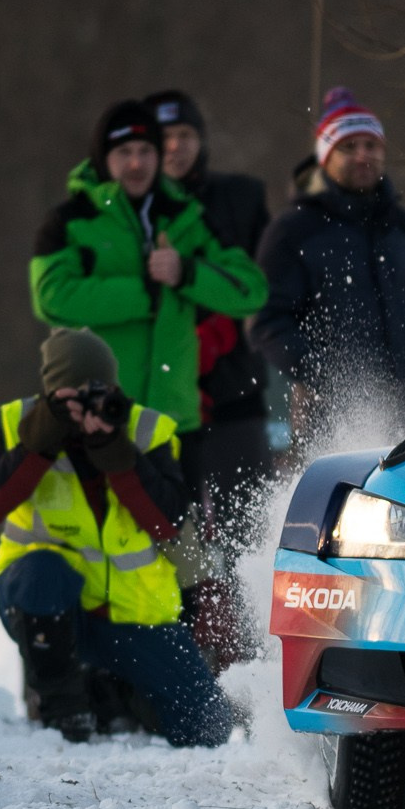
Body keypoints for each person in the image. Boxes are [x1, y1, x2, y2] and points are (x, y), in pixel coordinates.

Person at [0, 328, 232, 745]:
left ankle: (117, 694)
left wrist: (117, 453)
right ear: (52, 392)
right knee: (41, 573)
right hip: (48, 608)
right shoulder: (19, 424)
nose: (88, 406)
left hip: (134, 617)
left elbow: (169, 522)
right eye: (75, 396)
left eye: (99, 391)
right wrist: (40, 443)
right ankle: (63, 706)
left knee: (210, 726)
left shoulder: (144, 429)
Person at [250, 87, 405, 452]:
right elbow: (266, 320)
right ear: (325, 157)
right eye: (348, 146)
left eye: (371, 145)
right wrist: (322, 377)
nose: (362, 155)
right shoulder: (293, 231)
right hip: (334, 421)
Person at [30, 101, 268, 444]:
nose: (136, 163)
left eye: (146, 151)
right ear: (102, 158)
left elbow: (250, 290)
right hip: (95, 418)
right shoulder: (70, 220)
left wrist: (187, 273)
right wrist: (145, 294)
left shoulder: (187, 216)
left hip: (174, 423)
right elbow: (51, 298)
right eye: (124, 152)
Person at [141, 89, 273, 529]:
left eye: (185, 134)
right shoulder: (129, 212)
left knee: (248, 530)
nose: (175, 146)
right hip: (158, 395)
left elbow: (263, 284)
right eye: (164, 137)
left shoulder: (241, 199)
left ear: (201, 140)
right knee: (171, 531)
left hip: (234, 390)